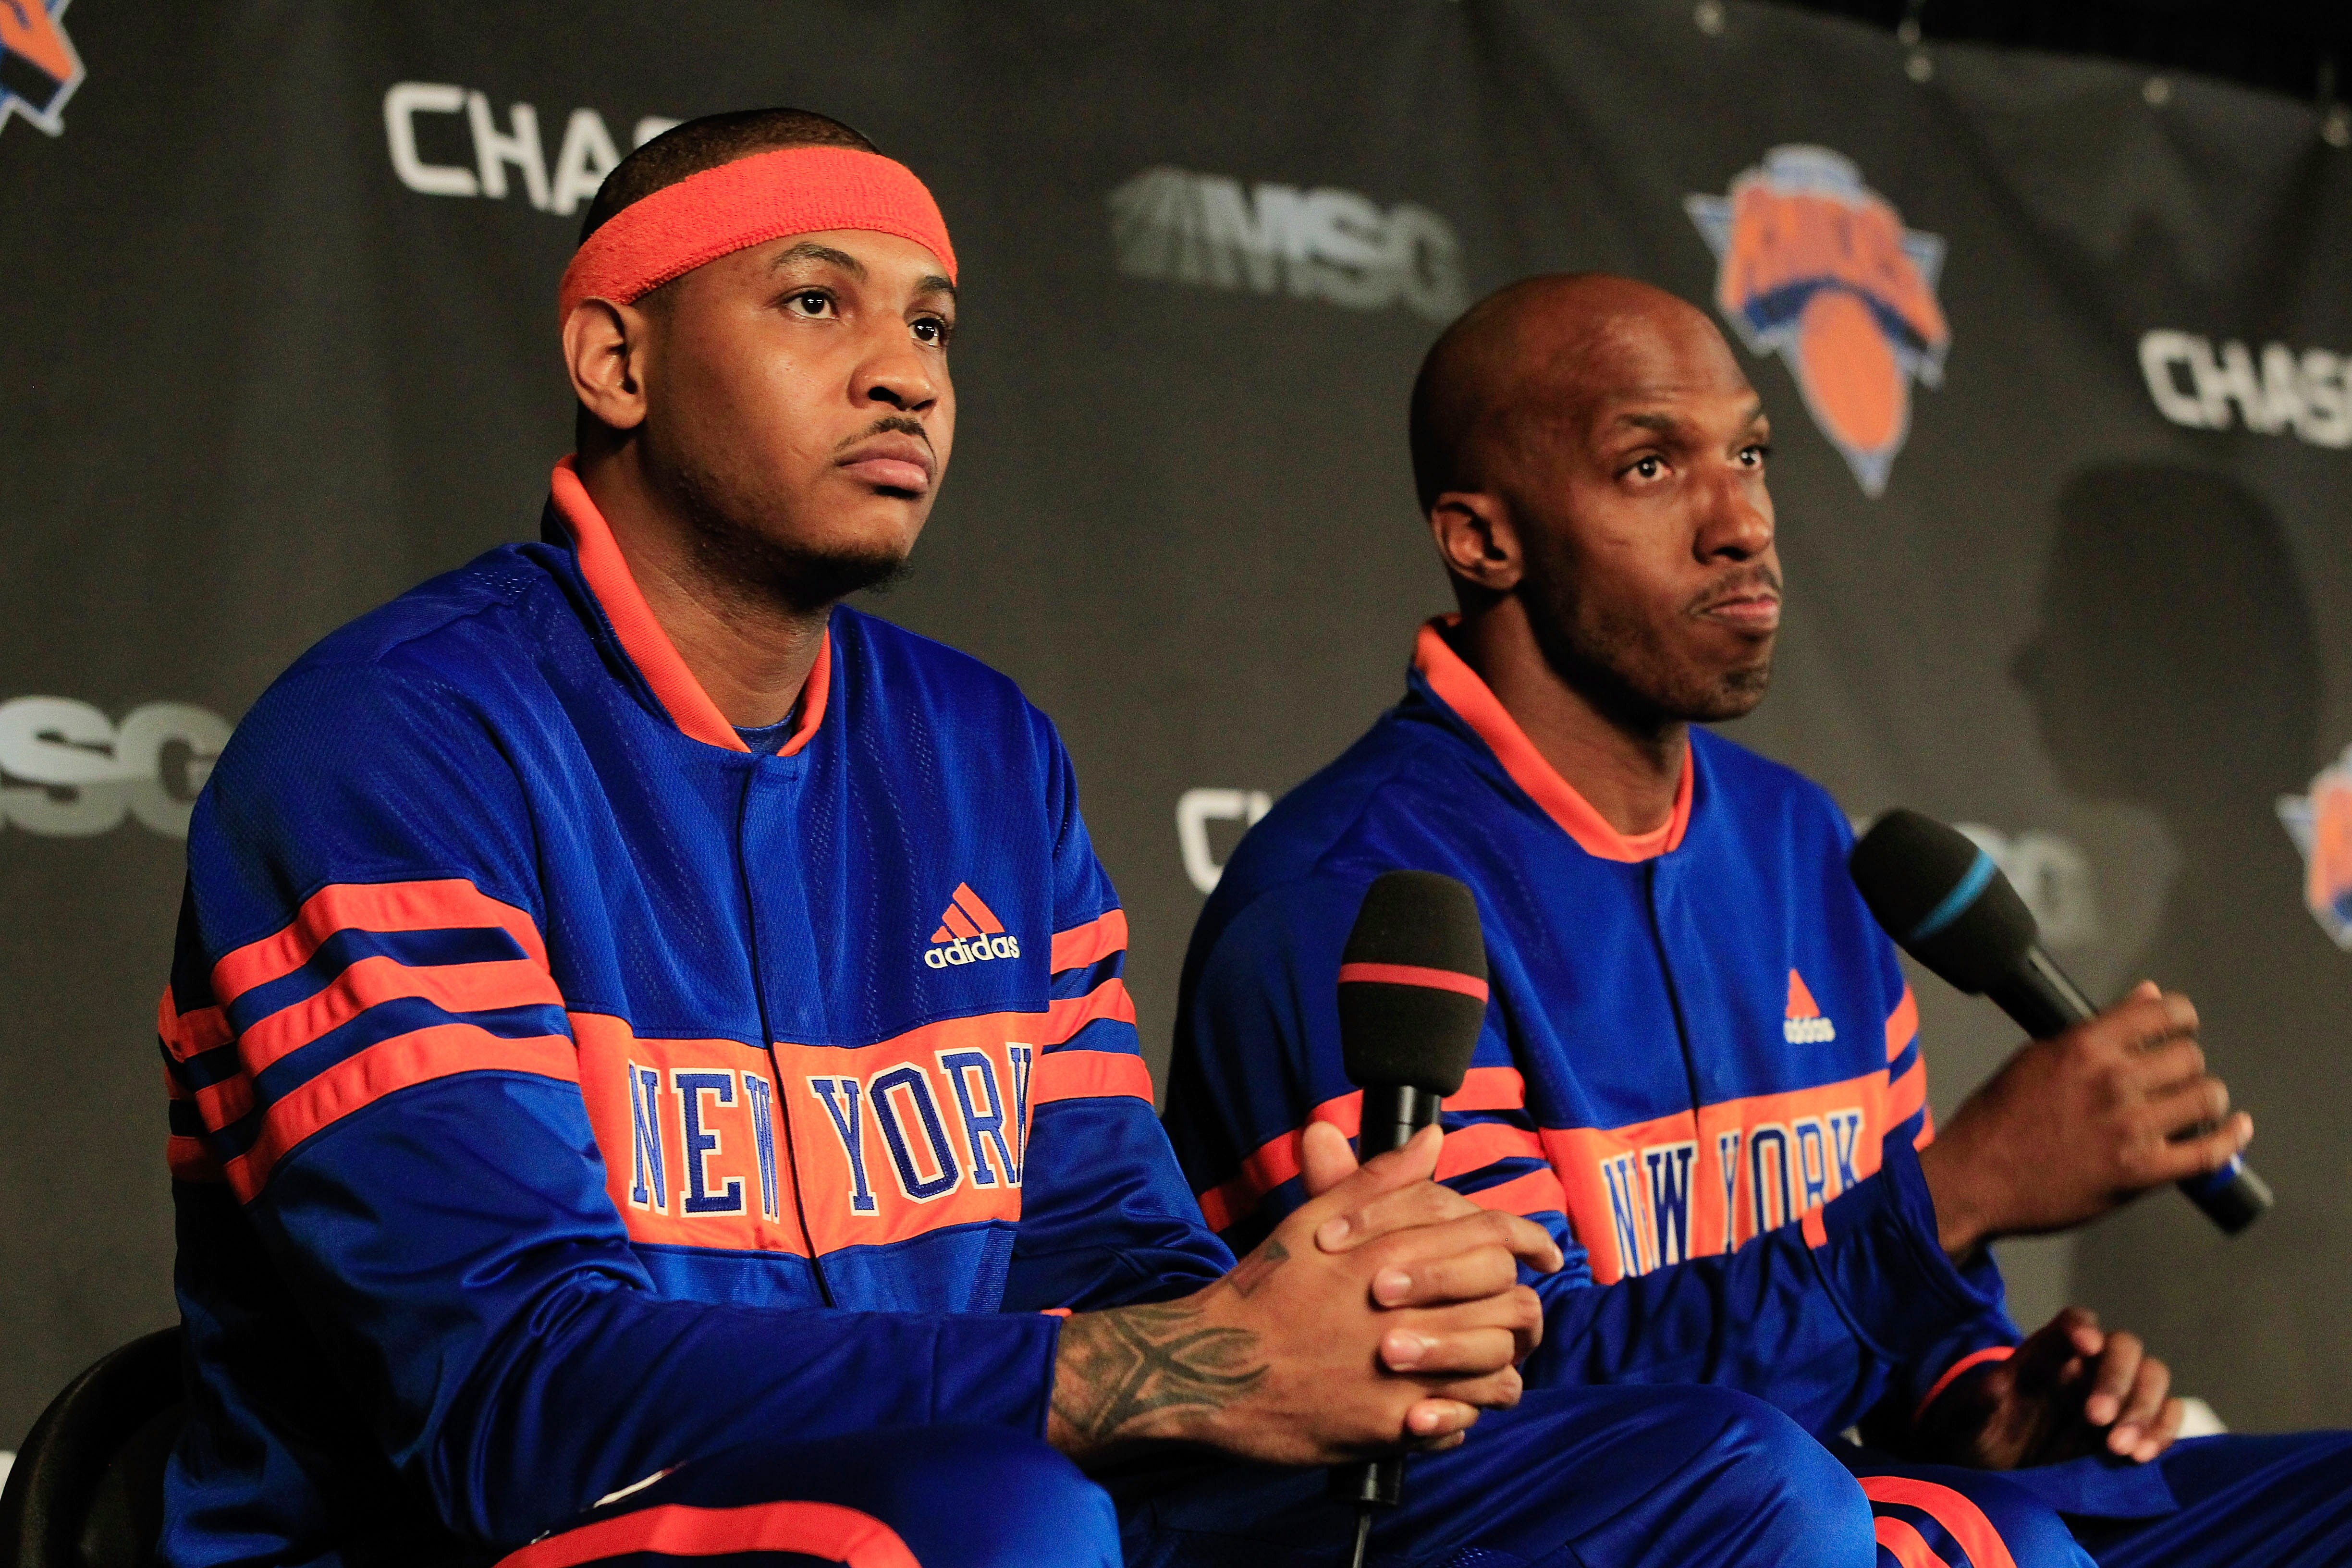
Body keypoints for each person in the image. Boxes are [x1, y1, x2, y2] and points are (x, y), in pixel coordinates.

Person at [155, 121, 1883, 1568]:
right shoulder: (399, 742)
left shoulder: (981, 752)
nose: (904, 371)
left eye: (936, 325)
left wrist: (1302, 1313)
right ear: (616, 357)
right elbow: (515, 1401)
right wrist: (1176, 1363)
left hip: (1001, 1490)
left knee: (1729, 1486)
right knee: (1001, 1520)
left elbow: (1103, 1254)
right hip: (494, 1540)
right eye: (816, 303)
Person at [1162, 272, 2352, 1568]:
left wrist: (1991, 1407)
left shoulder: (1798, 840)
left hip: (1828, 1507)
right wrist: (1957, 1194)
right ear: (1481, 539)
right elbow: (1526, 1409)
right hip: (1532, 1528)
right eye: (1650, 468)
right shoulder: (1352, 896)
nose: (1740, 523)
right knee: (1808, 1503)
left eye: (1750, 454)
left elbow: (1906, 1338)